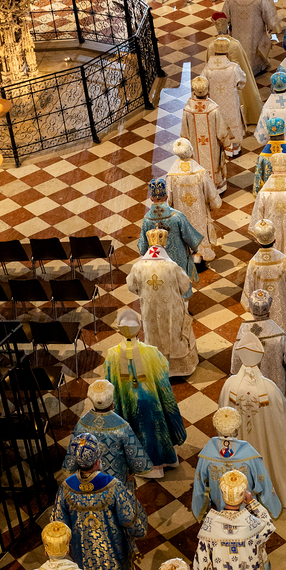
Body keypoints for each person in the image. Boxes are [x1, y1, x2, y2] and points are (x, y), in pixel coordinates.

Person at [52, 432, 148, 570]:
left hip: (82, 550)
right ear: (98, 460)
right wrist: (138, 530)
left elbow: (58, 524)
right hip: (113, 548)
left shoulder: (66, 488)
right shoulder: (113, 486)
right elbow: (130, 518)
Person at [219, 335, 286, 506]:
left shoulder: (229, 386)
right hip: (266, 442)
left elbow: (222, 416)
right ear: (260, 358)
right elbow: (281, 422)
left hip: (238, 443)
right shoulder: (270, 389)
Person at [104, 309, 187, 470]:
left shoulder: (112, 355)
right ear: (139, 328)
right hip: (151, 401)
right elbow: (163, 371)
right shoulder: (151, 352)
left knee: (134, 431)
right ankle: (164, 462)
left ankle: (139, 464)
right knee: (155, 431)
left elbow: (109, 381)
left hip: (127, 403)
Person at [127, 225, 198, 374]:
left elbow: (131, 286)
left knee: (153, 335)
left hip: (150, 310)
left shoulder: (138, 267)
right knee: (174, 335)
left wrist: (144, 291)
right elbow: (185, 286)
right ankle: (178, 369)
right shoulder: (171, 266)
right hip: (172, 309)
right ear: (164, 247)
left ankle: (156, 367)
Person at [192, 406, 282, 520]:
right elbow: (263, 480)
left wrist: (199, 508)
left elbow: (199, 484)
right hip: (245, 504)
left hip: (220, 505)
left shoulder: (207, 455)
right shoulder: (250, 454)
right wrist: (272, 505)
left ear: (216, 428)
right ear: (237, 428)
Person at [62, 379, 153, 486]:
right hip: (115, 478)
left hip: (90, 478)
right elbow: (135, 457)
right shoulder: (122, 426)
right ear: (112, 404)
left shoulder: (82, 424)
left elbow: (74, 453)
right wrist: (132, 470)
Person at [243, 219, 286, 349]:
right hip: (283, 310)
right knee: (285, 341)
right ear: (274, 240)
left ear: (258, 241)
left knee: (266, 341)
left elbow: (248, 297)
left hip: (262, 314)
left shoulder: (253, 264)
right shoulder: (285, 262)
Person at [231, 289, 286, 403]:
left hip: (250, 392)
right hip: (275, 390)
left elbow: (235, 366)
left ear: (251, 311)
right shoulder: (279, 336)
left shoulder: (243, 334)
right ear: (269, 312)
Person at [166, 138, 222, 269]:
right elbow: (211, 193)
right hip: (199, 212)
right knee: (199, 232)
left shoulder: (172, 174)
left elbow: (168, 199)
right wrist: (214, 203)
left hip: (181, 213)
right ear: (191, 151)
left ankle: (187, 260)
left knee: (183, 233)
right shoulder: (200, 172)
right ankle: (198, 262)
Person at [138, 176, 203, 290]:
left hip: (158, 261)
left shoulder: (147, 219)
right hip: (178, 259)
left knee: (164, 288)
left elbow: (142, 246)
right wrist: (195, 249)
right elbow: (190, 237)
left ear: (151, 198)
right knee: (180, 287)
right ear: (166, 196)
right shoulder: (177, 216)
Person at [223, 0, 280, 76]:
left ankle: (241, 68)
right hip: (255, 32)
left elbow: (225, 16)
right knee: (254, 48)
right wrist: (270, 26)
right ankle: (256, 68)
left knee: (240, 48)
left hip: (238, 32)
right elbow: (268, 14)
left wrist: (226, 27)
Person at [181, 75, 231, 192]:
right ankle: (215, 189)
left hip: (195, 146)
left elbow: (184, 132)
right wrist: (226, 144)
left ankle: (200, 188)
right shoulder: (213, 109)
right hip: (213, 147)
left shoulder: (188, 109)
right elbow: (221, 131)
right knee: (214, 164)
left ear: (194, 92)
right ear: (207, 91)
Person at [201, 37, 247, 156]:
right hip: (231, 103)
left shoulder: (207, 69)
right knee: (232, 121)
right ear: (227, 54)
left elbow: (202, 85)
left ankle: (222, 150)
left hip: (215, 104)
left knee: (218, 124)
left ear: (215, 53)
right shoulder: (233, 67)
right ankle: (235, 149)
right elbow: (242, 81)